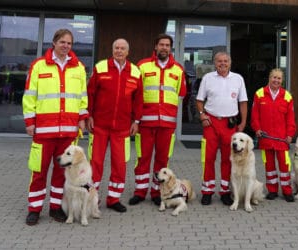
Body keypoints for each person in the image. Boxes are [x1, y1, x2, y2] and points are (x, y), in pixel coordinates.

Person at [22, 29, 88, 225]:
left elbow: (82, 96)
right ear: (54, 43)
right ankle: (34, 209)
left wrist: (82, 117)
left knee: (61, 173)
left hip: (68, 132)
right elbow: (29, 96)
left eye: (69, 43)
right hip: (43, 131)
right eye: (62, 42)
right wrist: (30, 122)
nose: (65, 46)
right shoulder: (38, 66)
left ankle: (55, 208)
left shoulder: (79, 68)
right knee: (39, 171)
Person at [128, 33, 187, 206]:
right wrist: (136, 120)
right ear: (155, 47)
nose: (164, 48)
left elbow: (181, 94)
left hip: (167, 125)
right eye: (161, 44)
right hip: (145, 123)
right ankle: (140, 192)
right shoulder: (142, 66)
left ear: (171, 48)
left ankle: (156, 192)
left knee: (162, 160)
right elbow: (136, 94)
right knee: (143, 158)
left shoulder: (178, 69)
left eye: (167, 45)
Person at [87, 38, 143, 213]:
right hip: (100, 126)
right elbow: (90, 93)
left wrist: (136, 121)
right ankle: (91, 199)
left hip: (122, 128)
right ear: (112, 50)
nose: (119, 51)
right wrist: (88, 115)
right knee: (95, 163)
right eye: (116, 48)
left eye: (122, 48)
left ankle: (113, 199)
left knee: (120, 164)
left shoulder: (135, 71)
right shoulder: (100, 67)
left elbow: (139, 99)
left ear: (128, 52)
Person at [196, 51, 248, 205]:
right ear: (215, 63)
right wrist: (201, 114)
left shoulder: (238, 79)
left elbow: (243, 102)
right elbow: (199, 100)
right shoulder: (207, 78)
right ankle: (207, 191)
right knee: (209, 158)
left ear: (230, 63)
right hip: (211, 123)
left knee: (228, 159)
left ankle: (225, 191)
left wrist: (243, 122)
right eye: (219, 61)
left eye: (225, 61)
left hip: (229, 124)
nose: (223, 63)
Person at [250, 68, 296, 202]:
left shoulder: (287, 96)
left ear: (282, 80)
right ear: (269, 78)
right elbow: (255, 116)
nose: (276, 80)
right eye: (274, 77)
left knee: (284, 166)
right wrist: (257, 129)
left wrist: (290, 134)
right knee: (269, 166)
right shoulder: (259, 94)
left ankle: (287, 191)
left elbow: (291, 119)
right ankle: (272, 190)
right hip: (266, 138)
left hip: (282, 139)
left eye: (279, 78)